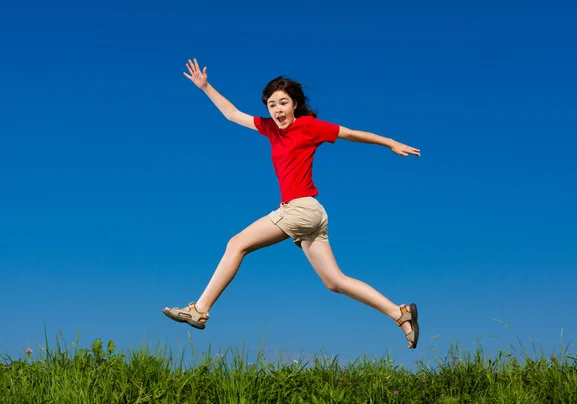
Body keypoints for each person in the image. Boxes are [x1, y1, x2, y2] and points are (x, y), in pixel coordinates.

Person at [162, 59, 422, 349]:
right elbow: (232, 114)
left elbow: (350, 134)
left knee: (237, 244)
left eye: (283, 103)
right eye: (271, 105)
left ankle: (200, 309)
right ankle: (399, 313)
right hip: (310, 214)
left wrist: (389, 142)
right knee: (335, 281)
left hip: (301, 209)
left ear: (295, 104)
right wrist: (206, 87)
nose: (277, 110)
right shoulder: (271, 130)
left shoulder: (309, 127)